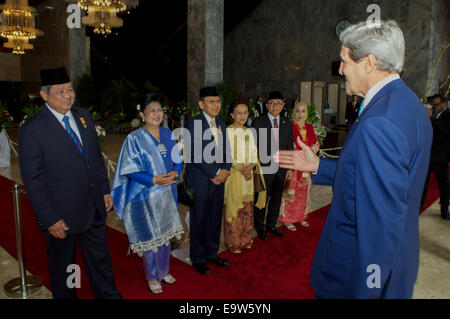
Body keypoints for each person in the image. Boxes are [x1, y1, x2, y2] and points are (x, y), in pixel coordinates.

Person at [275, 20, 432, 298]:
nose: (340, 69)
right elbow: (376, 180)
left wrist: (367, 291)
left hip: (356, 273)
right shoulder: (409, 106)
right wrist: (319, 165)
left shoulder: (380, 121)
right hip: (397, 265)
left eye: (345, 60)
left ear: (369, 63)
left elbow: (380, 227)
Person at [18, 66, 121, 299]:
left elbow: (95, 158)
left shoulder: (83, 116)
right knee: (66, 268)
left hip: (93, 206)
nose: (68, 95)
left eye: (70, 89)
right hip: (61, 215)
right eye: (60, 91)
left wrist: (105, 191)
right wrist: (49, 218)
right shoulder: (33, 130)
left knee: (100, 260)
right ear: (44, 95)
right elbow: (33, 181)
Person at [111, 93, 184, 294]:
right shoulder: (133, 139)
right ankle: (152, 276)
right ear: (142, 114)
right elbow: (129, 169)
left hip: (167, 193)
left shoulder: (169, 134)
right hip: (145, 197)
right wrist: (153, 179)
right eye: (151, 110)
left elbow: (178, 160)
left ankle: (163, 271)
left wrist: (175, 172)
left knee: (166, 235)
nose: (156, 113)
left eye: (159, 110)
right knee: (151, 236)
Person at [184, 86, 232, 275]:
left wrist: (226, 170)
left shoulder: (221, 124)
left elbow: (227, 150)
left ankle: (212, 253)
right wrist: (215, 173)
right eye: (211, 101)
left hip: (219, 180)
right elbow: (194, 154)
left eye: (218, 101)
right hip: (201, 179)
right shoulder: (193, 123)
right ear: (201, 104)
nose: (216, 105)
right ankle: (198, 258)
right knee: (199, 219)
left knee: (214, 217)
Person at [223, 100, 266, 253]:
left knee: (247, 209)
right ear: (232, 114)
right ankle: (234, 242)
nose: (242, 116)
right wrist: (243, 169)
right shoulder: (227, 132)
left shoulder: (249, 132)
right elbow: (228, 155)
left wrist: (251, 166)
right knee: (234, 209)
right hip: (234, 177)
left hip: (248, 178)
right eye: (239, 112)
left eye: (245, 112)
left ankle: (246, 239)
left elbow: (255, 153)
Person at [251, 91, 294, 240]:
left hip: (281, 169)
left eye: (278, 103)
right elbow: (253, 146)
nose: (275, 106)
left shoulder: (287, 124)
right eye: (272, 103)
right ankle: (260, 227)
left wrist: (290, 168)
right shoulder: (258, 122)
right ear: (267, 105)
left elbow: (289, 147)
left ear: (283, 106)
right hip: (264, 170)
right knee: (261, 200)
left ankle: (271, 225)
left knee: (276, 198)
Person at [279, 102, 319, 231]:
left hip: (306, 166)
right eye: (297, 111)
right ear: (293, 113)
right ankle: (287, 219)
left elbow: (316, 145)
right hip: (293, 166)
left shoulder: (309, 127)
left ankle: (301, 216)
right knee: (291, 193)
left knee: (303, 192)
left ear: (306, 114)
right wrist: (301, 153)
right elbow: (286, 145)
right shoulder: (289, 127)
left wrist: (309, 152)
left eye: (303, 111)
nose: (300, 114)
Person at [420, 94, 450, 219]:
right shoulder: (433, 116)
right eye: (432, 105)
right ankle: (419, 204)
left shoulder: (448, 115)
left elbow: (446, 129)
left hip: (441, 157)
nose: (434, 107)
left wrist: (431, 118)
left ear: (443, 104)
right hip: (428, 154)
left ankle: (444, 210)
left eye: (436, 105)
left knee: (443, 185)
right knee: (422, 181)